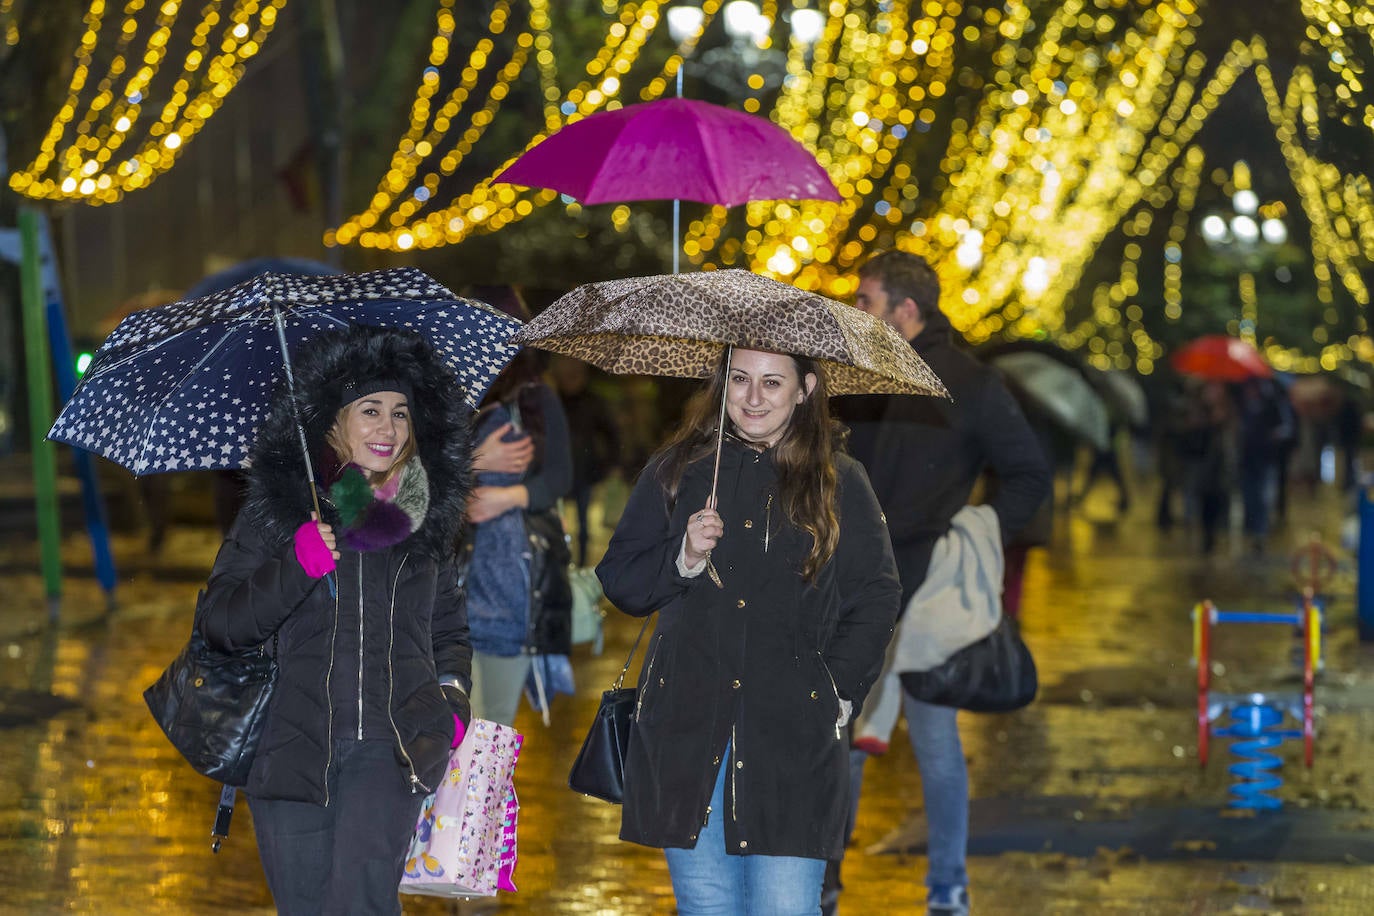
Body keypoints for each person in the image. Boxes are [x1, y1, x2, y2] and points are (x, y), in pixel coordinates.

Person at [596, 346, 901, 915]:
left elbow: (876, 594)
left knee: (784, 908)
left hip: (792, 736)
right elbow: (621, 581)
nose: (753, 398)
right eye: (740, 379)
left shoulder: (839, 481)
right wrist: (683, 556)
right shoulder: (678, 469)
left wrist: (837, 689)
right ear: (722, 382)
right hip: (687, 731)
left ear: (805, 389)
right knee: (706, 907)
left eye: (772, 382)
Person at [196, 325, 474, 915]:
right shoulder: (279, 511)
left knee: (362, 906)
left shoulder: (426, 515)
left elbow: (448, 629)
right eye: (369, 410)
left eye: (400, 412)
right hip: (291, 751)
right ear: (333, 422)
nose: (388, 427)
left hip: (391, 749)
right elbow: (221, 625)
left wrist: (451, 706)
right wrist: (295, 565)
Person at [831, 251, 1051, 916]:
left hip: (928, 592)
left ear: (906, 310)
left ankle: (948, 888)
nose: (856, 310)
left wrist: (977, 528)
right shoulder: (857, 374)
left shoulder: (970, 382)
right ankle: (821, 885)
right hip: (851, 586)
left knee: (928, 739)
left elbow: (1029, 475)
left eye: (866, 300)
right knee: (840, 739)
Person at [463, 339, 574, 727]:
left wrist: (510, 495)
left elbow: (561, 476)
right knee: (449, 731)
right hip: (452, 591)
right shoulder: (446, 393)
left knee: (493, 731)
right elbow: (416, 483)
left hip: (511, 593)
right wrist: (473, 462)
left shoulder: (533, 398)